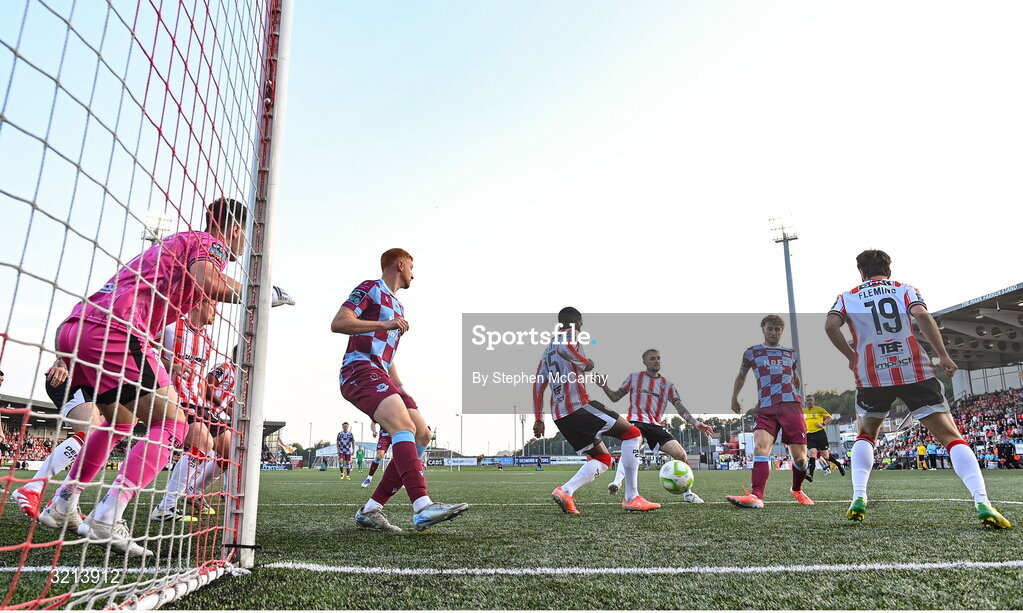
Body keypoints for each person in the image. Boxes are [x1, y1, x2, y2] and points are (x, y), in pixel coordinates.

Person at [37, 198, 250, 557]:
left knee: (119, 423)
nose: (245, 244)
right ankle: (108, 515)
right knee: (173, 424)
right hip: (116, 330)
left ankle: (64, 502)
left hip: (78, 328)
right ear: (235, 230)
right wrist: (257, 293)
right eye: (246, 235)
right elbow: (206, 279)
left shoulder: (174, 244)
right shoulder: (209, 243)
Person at [825, 249, 1011, 528]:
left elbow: (830, 325)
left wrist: (853, 358)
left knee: (866, 435)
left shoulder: (847, 296)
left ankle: (859, 495)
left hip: (872, 373)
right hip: (912, 368)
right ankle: (983, 502)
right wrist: (943, 355)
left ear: (861, 272)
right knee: (952, 438)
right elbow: (922, 316)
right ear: (888, 270)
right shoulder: (904, 289)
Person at [332, 248, 467, 532]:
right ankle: (422, 506)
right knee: (403, 425)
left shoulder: (400, 307)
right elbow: (339, 323)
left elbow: (387, 356)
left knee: (422, 432)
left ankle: (371, 509)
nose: (413, 275)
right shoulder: (370, 289)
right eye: (412, 268)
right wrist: (384, 323)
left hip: (382, 373)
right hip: (358, 369)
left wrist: (401, 391)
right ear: (401, 264)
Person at [533, 307, 657, 514]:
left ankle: (566, 491)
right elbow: (565, 349)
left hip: (560, 416)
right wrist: (585, 363)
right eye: (581, 322)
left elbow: (538, 385)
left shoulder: (546, 351)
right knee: (633, 434)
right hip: (579, 406)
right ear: (575, 321)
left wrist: (539, 418)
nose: (582, 326)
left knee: (603, 459)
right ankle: (632, 497)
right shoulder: (569, 335)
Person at [597, 349, 714, 503]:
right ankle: (617, 481)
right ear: (645, 362)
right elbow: (615, 397)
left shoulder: (668, 385)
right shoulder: (634, 378)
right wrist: (605, 386)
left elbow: (680, 407)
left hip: (655, 426)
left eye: (658, 358)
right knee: (633, 447)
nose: (656, 361)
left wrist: (695, 423)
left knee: (681, 455)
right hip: (636, 422)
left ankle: (688, 494)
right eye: (652, 358)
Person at [726, 315, 813, 509]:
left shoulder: (791, 354)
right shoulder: (752, 352)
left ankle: (797, 489)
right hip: (766, 408)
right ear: (763, 329)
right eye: (770, 329)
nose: (773, 332)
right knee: (760, 448)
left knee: (800, 458)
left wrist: (796, 393)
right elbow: (741, 376)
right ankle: (757, 496)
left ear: (781, 331)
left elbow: (796, 378)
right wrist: (734, 398)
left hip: (791, 406)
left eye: (777, 329)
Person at [12, 358, 102, 518]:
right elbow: (69, 332)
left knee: (104, 439)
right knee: (91, 434)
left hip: (103, 385)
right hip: (74, 378)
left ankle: (63, 503)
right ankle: (31, 488)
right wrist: (62, 359)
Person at [803, 394, 845, 481]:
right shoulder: (804, 411)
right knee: (812, 453)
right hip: (810, 435)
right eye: (808, 400)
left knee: (825, 456)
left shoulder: (819, 409)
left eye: (811, 400)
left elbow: (830, 418)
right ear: (806, 402)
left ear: (814, 401)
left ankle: (838, 465)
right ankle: (810, 475)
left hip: (820, 434)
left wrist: (822, 424)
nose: (809, 401)